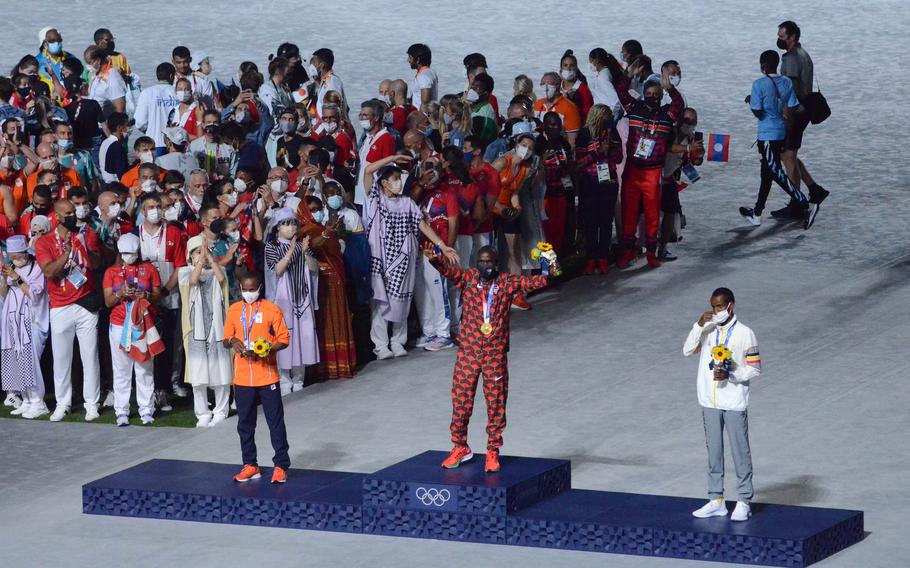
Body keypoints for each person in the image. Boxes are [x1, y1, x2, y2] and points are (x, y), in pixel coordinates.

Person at [429, 245, 556, 473]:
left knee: (495, 403)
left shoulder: (506, 283)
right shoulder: (468, 278)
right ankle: (460, 447)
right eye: (481, 262)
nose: (485, 266)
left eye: (489, 262)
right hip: (468, 352)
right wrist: (435, 260)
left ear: (496, 264)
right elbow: (449, 271)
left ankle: (492, 450)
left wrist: (550, 265)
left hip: (494, 354)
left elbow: (538, 282)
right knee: (461, 401)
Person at [683, 287, 762, 523]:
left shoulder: (745, 334)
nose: (716, 311)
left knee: (740, 452)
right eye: (713, 306)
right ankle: (716, 500)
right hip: (709, 401)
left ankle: (744, 500)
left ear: (731, 306)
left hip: (734, 401)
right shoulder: (707, 331)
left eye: (720, 306)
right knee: (714, 452)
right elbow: (687, 350)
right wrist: (698, 325)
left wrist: (732, 374)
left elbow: (755, 368)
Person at [364, 165, 458, 359]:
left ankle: (398, 341)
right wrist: (393, 158)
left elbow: (421, 224)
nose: (399, 182)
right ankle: (381, 346)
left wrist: (442, 244)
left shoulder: (407, 203)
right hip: (382, 261)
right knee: (380, 303)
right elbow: (367, 171)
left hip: (404, 260)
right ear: (384, 183)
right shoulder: (376, 201)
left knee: (402, 302)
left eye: (399, 177)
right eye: (395, 178)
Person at [35, 199, 102, 422]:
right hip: (60, 305)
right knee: (62, 359)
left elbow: (95, 263)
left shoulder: (86, 234)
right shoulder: (43, 242)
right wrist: (67, 253)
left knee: (89, 357)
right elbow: (49, 271)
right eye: (69, 212)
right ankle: (63, 403)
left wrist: (82, 246)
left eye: (75, 211)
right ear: (57, 216)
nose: (74, 215)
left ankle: (91, 403)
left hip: (85, 303)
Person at [614, 63, 684, 269]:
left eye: (656, 94)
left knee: (653, 213)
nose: (653, 96)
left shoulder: (666, 115)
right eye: (649, 93)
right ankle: (628, 250)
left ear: (661, 97)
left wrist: (670, 88)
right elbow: (621, 93)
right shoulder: (634, 109)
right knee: (629, 212)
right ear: (644, 95)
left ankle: (651, 252)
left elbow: (679, 104)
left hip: (653, 172)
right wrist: (628, 75)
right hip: (633, 171)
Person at [224, 273, 291, 484]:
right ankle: (250, 465)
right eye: (245, 289)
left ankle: (280, 465)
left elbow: (284, 339)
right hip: (243, 378)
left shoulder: (272, 309)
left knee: (275, 422)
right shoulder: (234, 310)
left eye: (252, 289)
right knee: (245, 424)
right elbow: (226, 339)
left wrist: (268, 349)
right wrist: (233, 341)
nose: (248, 293)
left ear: (259, 288)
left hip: (267, 375)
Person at [739, 50, 809, 229]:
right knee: (766, 174)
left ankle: (803, 201)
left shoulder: (759, 84)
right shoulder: (785, 82)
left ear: (762, 64)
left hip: (767, 135)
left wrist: (752, 100)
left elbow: (758, 112)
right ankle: (756, 213)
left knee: (775, 172)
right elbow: (792, 107)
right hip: (780, 133)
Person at [102, 233, 162, 426]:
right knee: (121, 369)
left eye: (133, 253)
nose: (130, 256)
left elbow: (157, 295)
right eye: (126, 253)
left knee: (144, 367)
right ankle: (121, 411)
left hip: (142, 324)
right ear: (120, 252)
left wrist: (145, 294)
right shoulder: (111, 272)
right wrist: (120, 294)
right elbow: (108, 302)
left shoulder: (149, 269)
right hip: (119, 325)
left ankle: (146, 409)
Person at [773, 20, 828, 225]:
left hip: (795, 113)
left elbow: (791, 88)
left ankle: (797, 204)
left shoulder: (792, 58)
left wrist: (785, 115)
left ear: (792, 37)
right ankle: (814, 189)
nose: (779, 39)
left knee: (787, 157)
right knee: (788, 155)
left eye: (782, 36)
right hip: (801, 110)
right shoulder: (802, 54)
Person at [299, 193, 358, 380]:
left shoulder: (322, 227)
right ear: (304, 212)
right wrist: (326, 233)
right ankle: (324, 367)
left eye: (318, 209)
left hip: (336, 281)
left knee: (339, 320)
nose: (317, 213)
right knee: (324, 323)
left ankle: (341, 364)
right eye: (313, 210)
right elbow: (314, 246)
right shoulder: (305, 230)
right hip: (320, 282)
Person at [137, 193, 188, 407]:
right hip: (143, 300)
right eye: (150, 206)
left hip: (169, 297)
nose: (155, 210)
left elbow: (180, 265)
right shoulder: (134, 233)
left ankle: (164, 388)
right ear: (142, 211)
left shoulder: (173, 232)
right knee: (144, 346)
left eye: (158, 206)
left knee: (167, 346)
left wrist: (165, 291)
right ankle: (146, 392)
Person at [178, 234, 232, 427]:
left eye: (206, 251)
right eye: (197, 252)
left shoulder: (220, 270)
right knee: (198, 373)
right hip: (195, 330)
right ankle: (202, 413)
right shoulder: (184, 272)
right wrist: (200, 262)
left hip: (218, 328)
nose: (202, 255)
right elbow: (193, 281)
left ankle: (221, 410)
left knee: (221, 370)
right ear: (190, 256)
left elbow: (220, 278)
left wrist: (210, 259)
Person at [264, 209, 319, 395]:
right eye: (286, 224)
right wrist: (291, 250)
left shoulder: (302, 243)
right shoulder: (272, 245)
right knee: (284, 336)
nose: (291, 227)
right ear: (278, 227)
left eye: (293, 223)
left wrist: (304, 252)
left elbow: (313, 269)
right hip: (282, 299)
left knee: (303, 335)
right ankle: (284, 380)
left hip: (301, 296)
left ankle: (299, 378)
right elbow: (277, 271)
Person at [0, 235, 50, 419]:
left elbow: (35, 295)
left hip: (32, 321)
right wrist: (6, 279)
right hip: (13, 321)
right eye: (11, 257)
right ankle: (28, 400)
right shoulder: (12, 268)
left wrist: (17, 279)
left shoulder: (37, 269)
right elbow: (4, 294)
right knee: (18, 360)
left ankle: (39, 402)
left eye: (17, 256)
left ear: (26, 254)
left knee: (31, 362)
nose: (14, 260)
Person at [574, 104, 622, 274]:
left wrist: (612, 149)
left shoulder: (612, 132)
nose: (608, 121)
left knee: (606, 221)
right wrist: (598, 152)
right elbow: (578, 163)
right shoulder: (584, 134)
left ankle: (603, 257)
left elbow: (619, 158)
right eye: (605, 117)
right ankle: (591, 257)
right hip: (589, 182)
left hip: (609, 182)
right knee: (591, 222)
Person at [659, 107, 703, 260]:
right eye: (686, 120)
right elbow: (668, 147)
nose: (689, 124)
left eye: (693, 121)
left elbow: (691, 161)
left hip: (669, 178)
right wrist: (688, 148)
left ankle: (662, 249)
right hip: (655, 177)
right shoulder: (670, 131)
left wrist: (697, 157)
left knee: (671, 212)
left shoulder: (692, 137)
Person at [537, 112, 575, 255]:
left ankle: (554, 263)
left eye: (558, 125)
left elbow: (570, 164)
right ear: (544, 126)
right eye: (552, 125)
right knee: (545, 232)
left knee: (558, 230)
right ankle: (544, 267)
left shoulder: (563, 143)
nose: (555, 128)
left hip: (561, 192)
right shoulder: (539, 144)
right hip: (544, 196)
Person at [354, 100, 395, 209]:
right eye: (360, 115)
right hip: (360, 196)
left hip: (373, 199)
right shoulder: (366, 138)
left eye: (365, 115)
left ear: (376, 118)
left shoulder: (386, 138)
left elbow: (388, 170)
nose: (362, 118)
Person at [534, 72, 582, 147]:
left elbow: (572, 141)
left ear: (558, 86)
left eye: (550, 85)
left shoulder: (570, 108)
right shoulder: (538, 104)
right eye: (543, 84)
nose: (546, 88)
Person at [84, 46, 126, 118]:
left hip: (106, 125)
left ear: (98, 60)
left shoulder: (112, 77)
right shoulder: (95, 74)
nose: (88, 67)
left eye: (89, 63)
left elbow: (120, 108)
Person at [310, 48, 345, 117]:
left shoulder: (332, 82)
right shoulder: (324, 81)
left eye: (314, 63)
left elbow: (333, 109)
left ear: (322, 65)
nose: (311, 66)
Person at [588, 48, 623, 115]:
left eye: (591, 61)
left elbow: (616, 101)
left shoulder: (603, 77)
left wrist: (611, 117)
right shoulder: (606, 72)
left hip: (605, 116)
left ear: (596, 60)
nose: (590, 64)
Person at [559, 50, 593, 118]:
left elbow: (587, 115)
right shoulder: (557, 86)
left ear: (576, 69)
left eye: (572, 66)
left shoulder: (583, 89)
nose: (568, 68)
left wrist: (571, 103)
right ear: (561, 68)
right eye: (565, 65)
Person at [168, 77, 203, 142]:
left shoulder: (197, 110)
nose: (183, 92)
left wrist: (180, 134)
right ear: (175, 92)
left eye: (186, 89)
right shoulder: (173, 111)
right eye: (180, 89)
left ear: (191, 92)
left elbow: (201, 137)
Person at [99, 112, 130, 186]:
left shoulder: (105, 142)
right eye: (127, 125)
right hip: (115, 186)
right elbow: (121, 173)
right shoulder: (117, 146)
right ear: (119, 127)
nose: (129, 128)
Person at [467, 73, 498, 147]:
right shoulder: (477, 108)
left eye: (477, 88)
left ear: (486, 93)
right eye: (473, 86)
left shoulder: (482, 114)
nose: (472, 90)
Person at [407, 43, 438, 108]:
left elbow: (425, 103)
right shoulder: (429, 72)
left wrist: (420, 117)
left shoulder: (424, 76)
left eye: (410, 58)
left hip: (421, 116)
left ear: (418, 60)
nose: (408, 60)